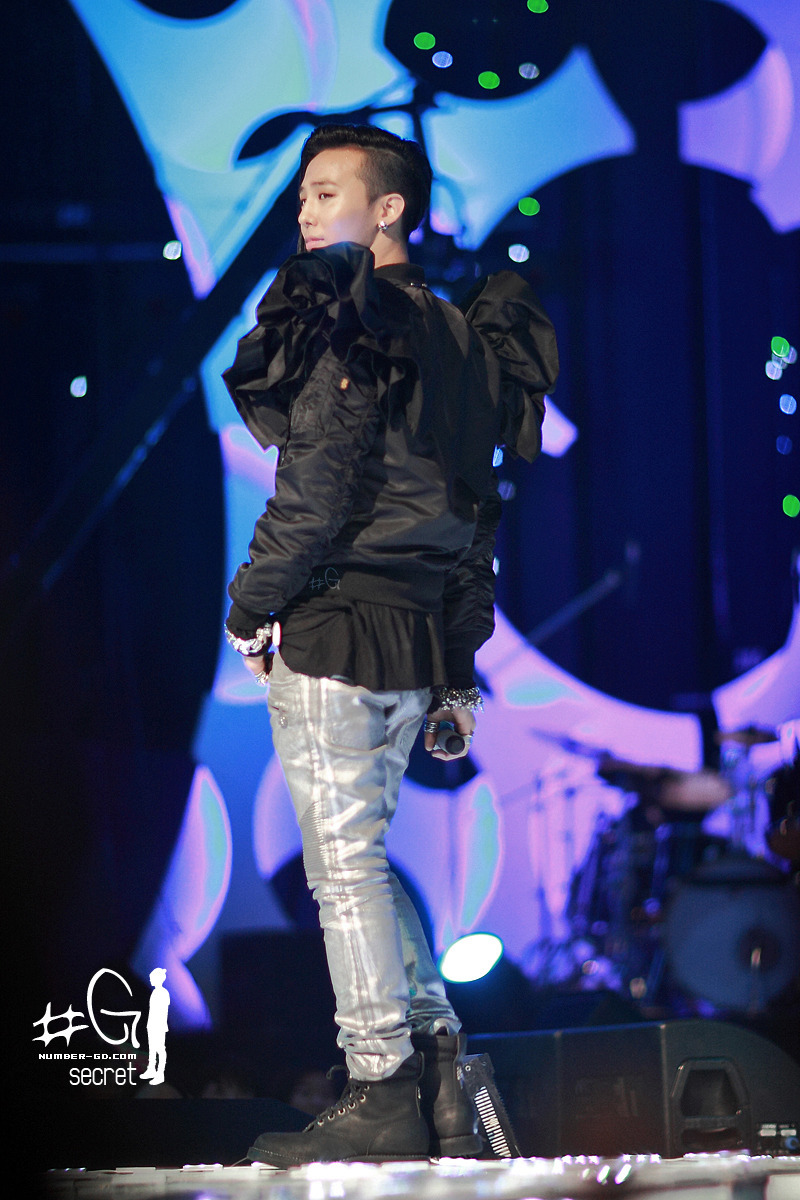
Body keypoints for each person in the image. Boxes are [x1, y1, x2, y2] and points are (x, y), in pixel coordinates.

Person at [222, 124, 558, 1165]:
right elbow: (473, 522)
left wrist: (248, 604)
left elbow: (315, 489)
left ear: (390, 209)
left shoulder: (352, 321)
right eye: (304, 196)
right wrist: (457, 672)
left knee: (343, 871)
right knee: (358, 863)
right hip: (413, 638)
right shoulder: (462, 336)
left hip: (337, 623)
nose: (305, 210)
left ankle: (379, 1086)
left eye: (327, 192)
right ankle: (443, 1076)